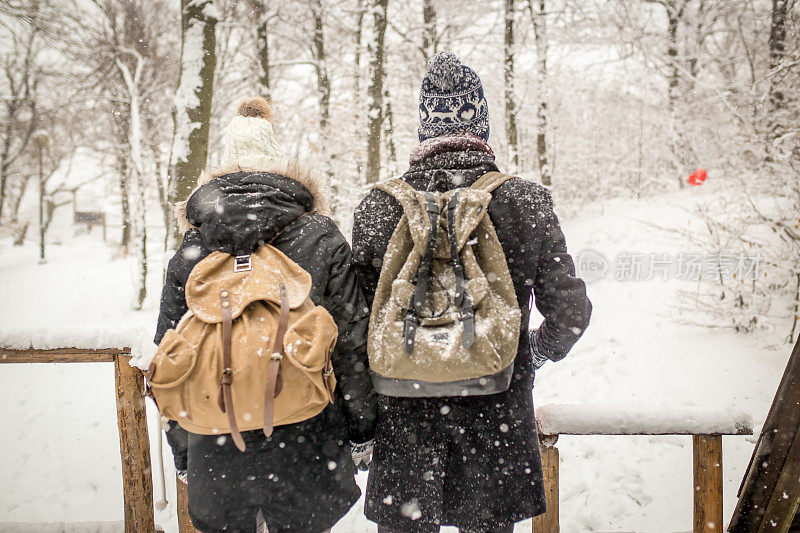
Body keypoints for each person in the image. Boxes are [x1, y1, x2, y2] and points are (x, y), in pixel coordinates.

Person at [352, 51, 592, 533]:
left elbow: (353, 328)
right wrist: (530, 354)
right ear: (480, 121)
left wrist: (361, 420)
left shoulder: (378, 208)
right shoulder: (525, 201)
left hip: (405, 423)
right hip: (495, 419)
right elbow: (570, 311)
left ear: (425, 126)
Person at [154, 96, 376, 533]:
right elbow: (351, 342)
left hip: (216, 442)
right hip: (307, 443)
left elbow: (171, 355)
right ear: (281, 167)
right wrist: (360, 429)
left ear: (222, 172)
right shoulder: (321, 237)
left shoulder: (194, 245)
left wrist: (185, 448)